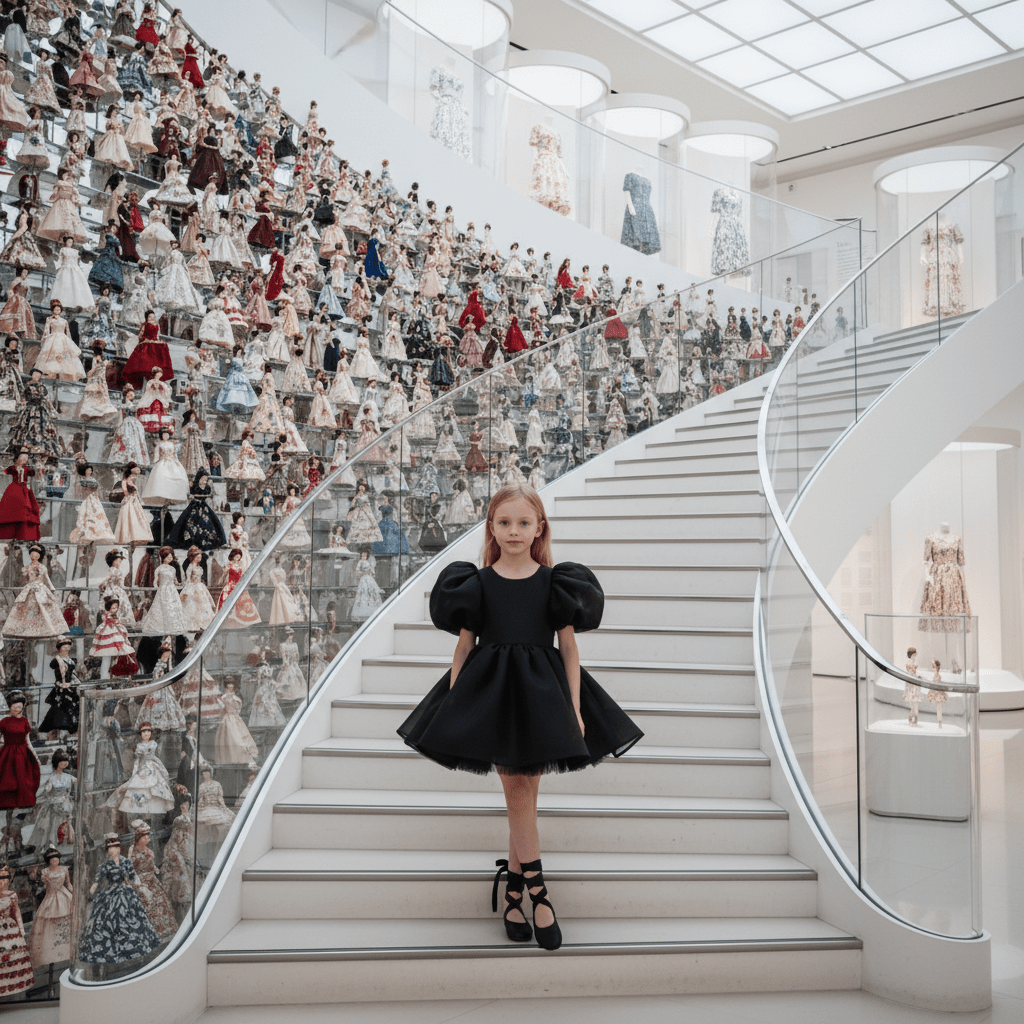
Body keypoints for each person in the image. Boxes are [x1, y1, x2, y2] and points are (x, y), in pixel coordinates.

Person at [398, 484, 642, 951]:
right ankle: (538, 893)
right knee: (517, 790)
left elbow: (569, 648)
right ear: (491, 527)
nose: (514, 531)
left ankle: (513, 893)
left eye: (523, 523)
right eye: (504, 523)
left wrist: (573, 707)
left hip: (543, 695)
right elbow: (464, 645)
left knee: (525, 794)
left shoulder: (556, 581)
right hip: (493, 693)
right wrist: (455, 701)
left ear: (539, 528)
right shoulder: (476, 582)